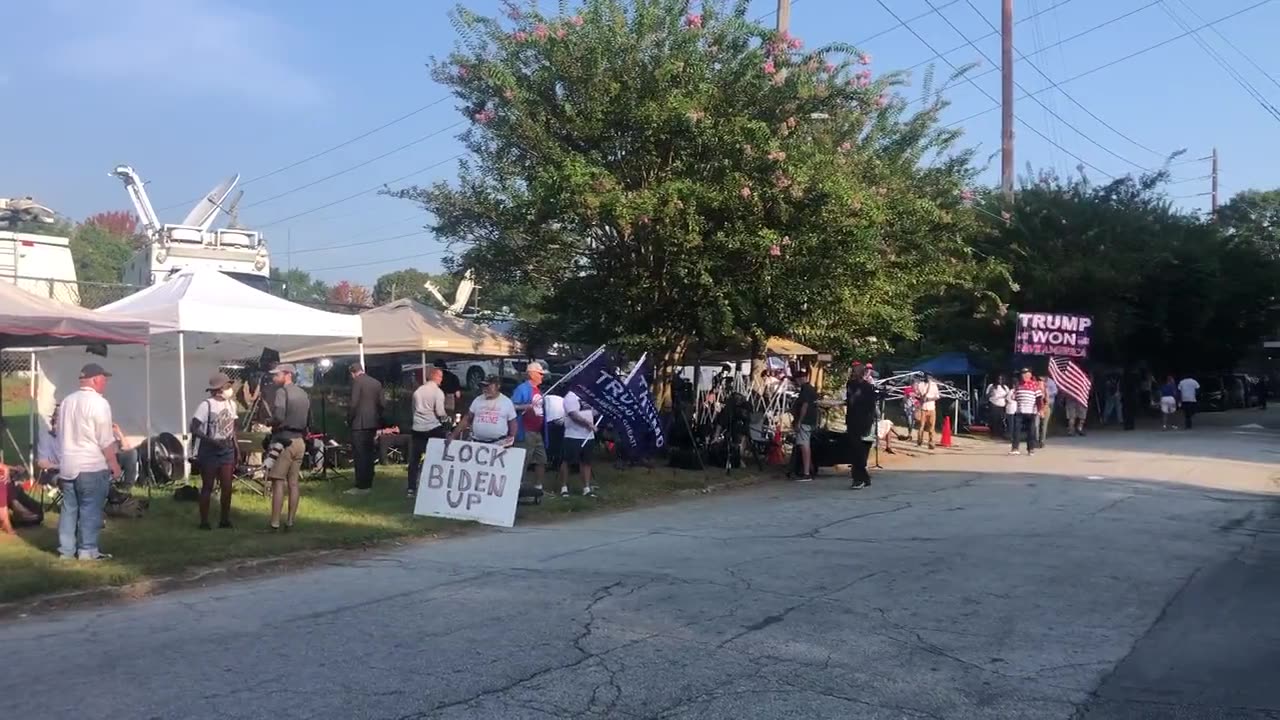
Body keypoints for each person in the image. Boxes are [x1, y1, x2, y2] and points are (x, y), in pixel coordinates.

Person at [56, 363, 122, 561]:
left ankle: (66, 551)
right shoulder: (99, 403)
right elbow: (104, 437)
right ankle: (88, 550)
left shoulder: (67, 401)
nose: (106, 383)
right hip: (91, 465)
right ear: (95, 380)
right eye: (104, 379)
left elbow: (60, 433)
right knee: (90, 509)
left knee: (69, 509)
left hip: (68, 463)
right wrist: (114, 463)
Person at [190, 372, 239, 530]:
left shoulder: (232, 405)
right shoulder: (206, 405)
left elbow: (232, 428)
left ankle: (225, 519)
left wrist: (236, 448)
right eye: (227, 386)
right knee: (208, 486)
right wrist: (211, 441)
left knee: (227, 486)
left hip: (227, 449)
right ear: (219, 389)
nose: (230, 389)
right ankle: (204, 521)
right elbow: (194, 428)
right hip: (210, 449)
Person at [266, 364, 310, 532]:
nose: (274, 378)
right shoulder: (303, 393)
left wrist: (268, 422)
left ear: (287, 374)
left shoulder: (281, 392)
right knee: (293, 483)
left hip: (284, 441)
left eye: (276, 375)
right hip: (300, 441)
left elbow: (278, 416)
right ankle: (290, 521)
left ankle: (275, 523)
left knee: (278, 482)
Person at [407, 367, 449, 499]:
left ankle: (411, 488)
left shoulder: (418, 391)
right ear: (436, 376)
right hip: (432, 428)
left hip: (417, 427)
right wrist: (448, 420)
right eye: (441, 377)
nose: (442, 379)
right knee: (437, 457)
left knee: (414, 460)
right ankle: (435, 485)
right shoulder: (438, 392)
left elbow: (413, 409)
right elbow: (440, 412)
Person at [345, 363, 385, 496]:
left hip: (359, 423)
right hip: (372, 422)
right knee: (369, 453)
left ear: (353, 373)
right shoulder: (376, 382)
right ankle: (369, 481)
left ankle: (361, 485)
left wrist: (349, 419)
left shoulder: (357, 382)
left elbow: (354, 403)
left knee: (359, 454)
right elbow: (382, 404)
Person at [511, 361, 549, 491]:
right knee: (524, 460)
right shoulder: (522, 389)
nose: (542, 376)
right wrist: (525, 406)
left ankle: (538, 486)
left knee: (541, 459)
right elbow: (512, 406)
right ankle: (517, 485)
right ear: (532, 374)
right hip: (525, 430)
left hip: (537, 431)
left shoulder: (537, 390)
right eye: (540, 374)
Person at [450, 375, 517, 446]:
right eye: (483, 386)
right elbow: (467, 419)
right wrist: (454, 435)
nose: (485, 389)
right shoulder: (477, 400)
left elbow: (512, 422)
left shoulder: (506, 402)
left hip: (498, 443)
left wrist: (512, 437)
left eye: (488, 386)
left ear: (497, 386)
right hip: (477, 442)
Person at [559, 390, 598, 497]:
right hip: (573, 435)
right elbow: (573, 415)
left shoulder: (589, 396)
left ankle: (586, 488)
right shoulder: (570, 396)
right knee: (567, 461)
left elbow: (593, 412)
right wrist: (588, 424)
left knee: (586, 462)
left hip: (588, 436)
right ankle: (564, 487)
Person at [846, 363, 877, 489]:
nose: (853, 374)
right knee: (854, 449)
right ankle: (863, 477)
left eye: (856, 372)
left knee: (858, 450)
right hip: (852, 419)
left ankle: (858, 478)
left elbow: (871, 407)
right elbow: (849, 400)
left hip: (862, 421)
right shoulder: (850, 384)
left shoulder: (868, 387)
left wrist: (869, 422)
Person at [791, 368, 819, 481]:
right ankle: (810, 468)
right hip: (811, 420)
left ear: (800, 379)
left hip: (805, 421)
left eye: (797, 380)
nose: (796, 382)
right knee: (805, 444)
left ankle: (806, 473)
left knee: (804, 445)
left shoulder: (805, 390)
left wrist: (799, 421)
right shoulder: (811, 389)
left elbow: (805, 406)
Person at [1009, 368, 1042, 456]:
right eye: (1023, 374)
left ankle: (1030, 449)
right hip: (1020, 411)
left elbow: (1039, 399)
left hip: (1031, 412)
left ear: (1030, 375)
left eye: (1027, 374)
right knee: (1016, 430)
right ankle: (1015, 448)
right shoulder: (1018, 385)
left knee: (1031, 431)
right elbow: (1014, 397)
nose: (1024, 376)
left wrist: (1040, 410)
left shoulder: (1035, 385)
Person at [913, 373, 941, 449]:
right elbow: (917, 395)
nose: (928, 378)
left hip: (931, 408)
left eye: (929, 376)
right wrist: (919, 398)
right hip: (923, 408)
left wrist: (929, 399)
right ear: (924, 377)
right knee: (921, 426)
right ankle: (919, 442)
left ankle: (931, 443)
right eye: (926, 376)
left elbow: (937, 396)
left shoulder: (934, 385)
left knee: (931, 427)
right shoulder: (920, 385)